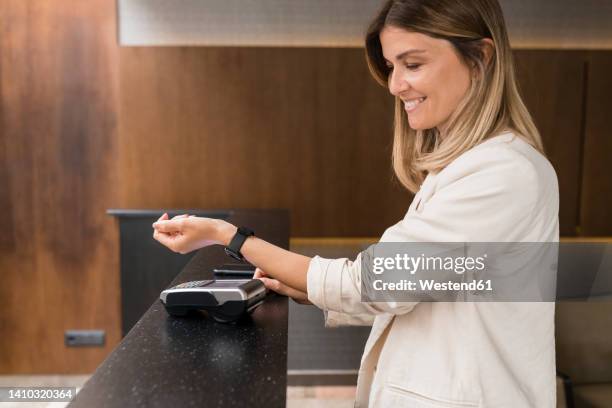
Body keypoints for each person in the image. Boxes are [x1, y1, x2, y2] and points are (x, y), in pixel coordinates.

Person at [152, 0, 559, 406]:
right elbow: (412, 288)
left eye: (412, 65)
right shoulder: (468, 167)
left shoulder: (501, 174)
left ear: (481, 58)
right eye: (391, 67)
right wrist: (307, 289)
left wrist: (227, 236)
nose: (396, 85)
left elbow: (375, 285)